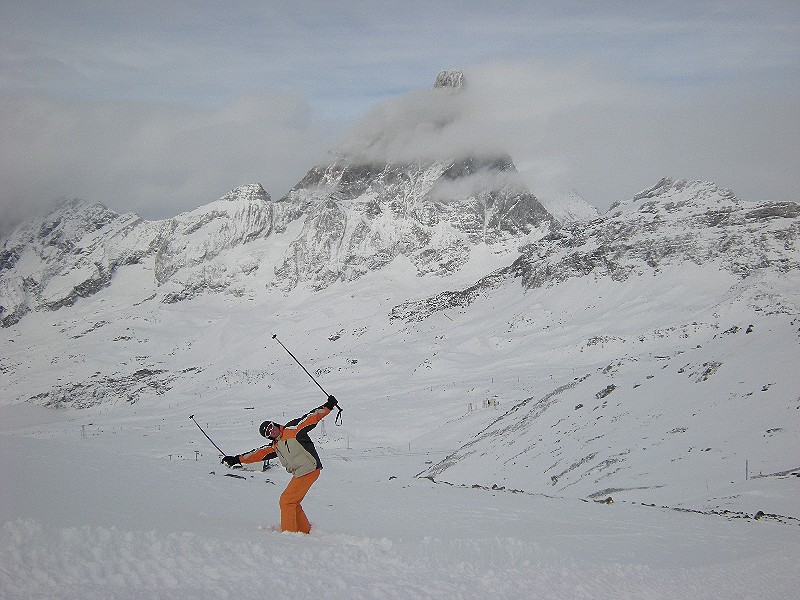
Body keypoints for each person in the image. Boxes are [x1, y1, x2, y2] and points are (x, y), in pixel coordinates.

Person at [222, 395, 338, 533]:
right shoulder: (276, 446)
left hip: (309, 468)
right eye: (268, 432)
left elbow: (310, 418)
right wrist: (236, 459)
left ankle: (289, 535)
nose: (272, 431)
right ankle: (304, 531)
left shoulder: (292, 430)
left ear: (275, 424)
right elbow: (258, 454)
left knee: (286, 501)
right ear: (268, 437)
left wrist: (328, 406)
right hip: (301, 473)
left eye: (271, 427)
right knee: (291, 502)